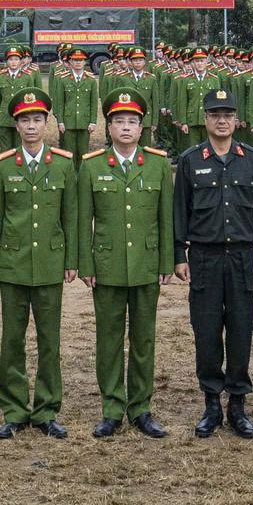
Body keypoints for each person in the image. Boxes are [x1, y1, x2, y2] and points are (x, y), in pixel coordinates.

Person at [171, 85, 253, 439]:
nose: (222, 121)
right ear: (206, 119)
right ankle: (212, 402)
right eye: (215, 115)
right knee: (207, 331)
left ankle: (237, 403)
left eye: (227, 115)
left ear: (236, 120)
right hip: (204, 258)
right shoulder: (190, 160)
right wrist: (178, 255)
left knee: (241, 329)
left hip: (241, 257)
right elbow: (180, 211)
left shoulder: (251, 159)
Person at [81, 89, 175, 437]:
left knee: (143, 339)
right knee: (108, 340)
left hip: (145, 264)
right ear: (108, 127)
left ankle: (140, 408)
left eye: (132, 122)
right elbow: (83, 220)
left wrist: (166, 262)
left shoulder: (157, 164)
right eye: (118, 121)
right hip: (106, 265)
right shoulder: (91, 165)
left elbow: (165, 219)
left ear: (141, 128)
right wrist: (86, 264)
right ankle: (111, 408)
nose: (125, 127)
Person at [0, 86, 79, 440]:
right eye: (24, 120)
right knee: (12, 340)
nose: (30, 126)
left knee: (49, 341)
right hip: (12, 263)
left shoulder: (63, 164)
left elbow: (70, 216)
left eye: (37, 120)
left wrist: (70, 259)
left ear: (47, 124)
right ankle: (13, 409)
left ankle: (46, 409)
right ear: (15, 124)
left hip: (49, 263)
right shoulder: (3, 166)